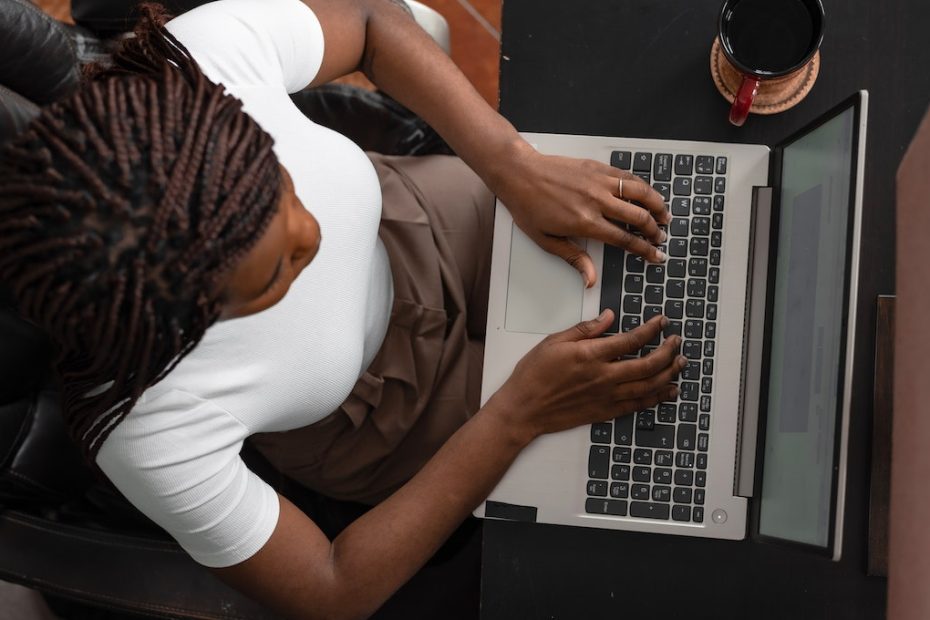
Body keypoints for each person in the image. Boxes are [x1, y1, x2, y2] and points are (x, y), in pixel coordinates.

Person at [0, 0, 684, 617]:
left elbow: (370, 20)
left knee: (685, 261)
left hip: (417, 218)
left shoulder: (202, 58)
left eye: (285, 189)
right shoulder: (146, 427)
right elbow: (331, 589)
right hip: (387, 415)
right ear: (182, 328)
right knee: (656, 440)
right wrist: (517, 414)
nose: (314, 234)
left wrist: (512, 164)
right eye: (278, 271)